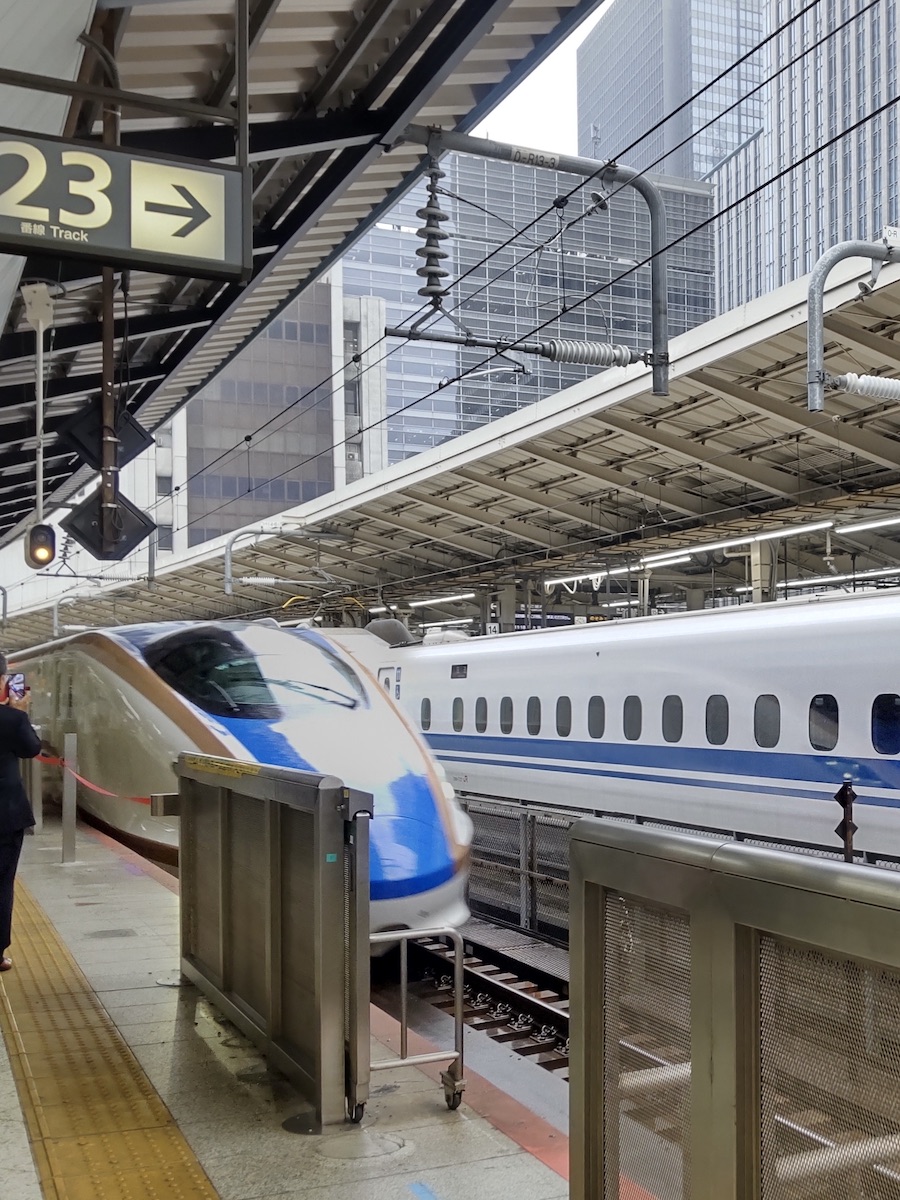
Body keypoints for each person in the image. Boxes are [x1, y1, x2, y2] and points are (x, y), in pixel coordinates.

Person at [0, 654, 41, 972]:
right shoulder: (11, 719)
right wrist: (21, 713)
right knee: (2, 882)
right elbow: (31, 748)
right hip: (5, 815)